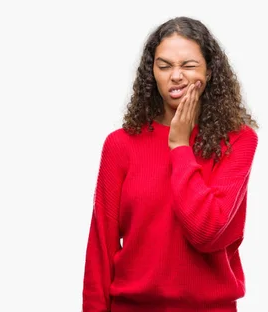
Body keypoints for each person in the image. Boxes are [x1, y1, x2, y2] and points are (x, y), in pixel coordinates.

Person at [82, 16, 258, 312]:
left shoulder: (238, 140)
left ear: (210, 71)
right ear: (152, 73)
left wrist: (179, 147)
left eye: (188, 66)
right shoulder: (120, 144)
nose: (176, 76)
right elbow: (101, 246)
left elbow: (206, 230)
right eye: (164, 66)